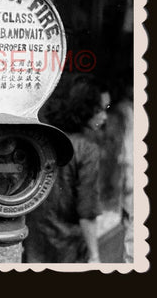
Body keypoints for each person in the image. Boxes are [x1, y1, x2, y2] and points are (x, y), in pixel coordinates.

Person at [23, 74, 110, 263]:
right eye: (100, 110)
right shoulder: (87, 149)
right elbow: (87, 210)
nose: (104, 116)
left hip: (33, 243)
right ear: (84, 109)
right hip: (69, 249)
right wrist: (95, 255)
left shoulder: (42, 139)